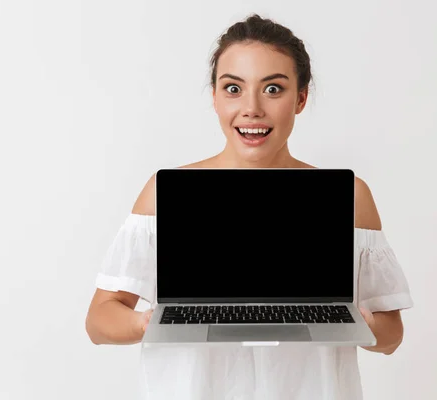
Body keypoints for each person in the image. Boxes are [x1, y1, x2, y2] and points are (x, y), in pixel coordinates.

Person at [85, 13, 413, 400]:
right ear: (214, 97)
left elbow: (391, 335)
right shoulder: (164, 194)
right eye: (233, 88)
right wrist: (148, 323)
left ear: (301, 98)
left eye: (273, 89)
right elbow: (99, 321)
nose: (252, 108)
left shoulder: (351, 197)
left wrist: (361, 323)